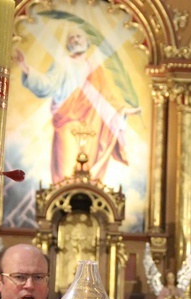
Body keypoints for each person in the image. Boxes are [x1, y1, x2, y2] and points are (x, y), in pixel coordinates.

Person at [13, 26, 141, 183]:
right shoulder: (62, 64)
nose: (75, 40)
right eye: (71, 38)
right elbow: (47, 84)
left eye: (79, 36)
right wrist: (26, 69)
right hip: (67, 123)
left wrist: (123, 110)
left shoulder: (95, 69)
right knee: (66, 173)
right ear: (68, 44)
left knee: (89, 176)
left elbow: (107, 97)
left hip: (92, 125)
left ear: (87, 42)